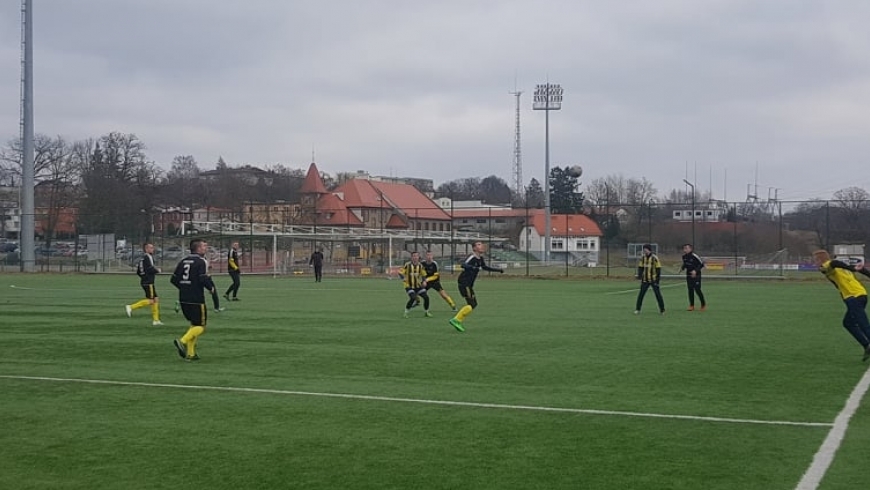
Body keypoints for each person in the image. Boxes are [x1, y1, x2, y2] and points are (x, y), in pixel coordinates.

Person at [814, 250, 870, 362]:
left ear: (819, 260)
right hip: (861, 295)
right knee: (848, 323)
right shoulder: (841, 267)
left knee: (862, 323)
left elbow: (834, 263)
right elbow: (859, 269)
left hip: (853, 297)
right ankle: (867, 346)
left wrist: (853, 268)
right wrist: (859, 270)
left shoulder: (828, 265)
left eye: (815, 260)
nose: (814, 263)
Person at [170, 238, 216, 362]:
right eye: (204, 246)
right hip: (196, 298)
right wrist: (210, 288)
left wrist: (184, 287)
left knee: (193, 325)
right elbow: (202, 278)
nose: (206, 248)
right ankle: (182, 341)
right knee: (201, 326)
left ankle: (191, 354)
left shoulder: (183, 261)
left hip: (183, 298)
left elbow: (173, 280)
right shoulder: (201, 261)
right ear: (199, 248)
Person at [449, 241, 504, 332]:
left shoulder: (480, 259)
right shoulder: (472, 257)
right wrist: (472, 268)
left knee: (473, 304)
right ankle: (456, 320)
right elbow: (463, 265)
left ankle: (457, 320)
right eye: (478, 244)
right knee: (472, 304)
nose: (481, 246)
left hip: (469, 285)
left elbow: (485, 267)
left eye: (481, 244)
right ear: (474, 248)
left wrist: (498, 270)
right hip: (464, 283)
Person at [125, 243, 164, 326]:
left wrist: (144, 277)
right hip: (148, 282)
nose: (153, 249)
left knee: (156, 299)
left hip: (146, 281)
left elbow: (138, 271)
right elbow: (150, 269)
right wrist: (157, 270)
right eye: (151, 248)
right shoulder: (147, 257)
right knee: (151, 300)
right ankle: (131, 307)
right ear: (146, 249)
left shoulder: (142, 258)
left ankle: (156, 320)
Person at [634, 244, 666, 315]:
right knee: (641, 294)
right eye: (644, 249)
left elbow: (658, 269)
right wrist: (640, 276)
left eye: (646, 249)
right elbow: (640, 267)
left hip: (653, 280)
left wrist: (657, 280)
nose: (645, 251)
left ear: (649, 250)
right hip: (645, 280)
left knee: (658, 295)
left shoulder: (654, 258)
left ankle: (662, 310)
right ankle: (637, 309)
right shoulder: (643, 258)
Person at [402, 251, 430, 318]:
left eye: (416, 256)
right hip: (408, 285)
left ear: (418, 257)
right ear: (411, 257)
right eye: (414, 256)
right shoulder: (407, 265)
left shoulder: (420, 266)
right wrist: (403, 278)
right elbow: (400, 272)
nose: (415, 257)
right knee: (413, 298)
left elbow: (423, 274)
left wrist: (424, 281)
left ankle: (426, 312)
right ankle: (406, 312)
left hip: (418, 286)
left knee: (426, 297)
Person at [680, 243, 707, 311]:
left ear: (690, 249)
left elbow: (702, 264)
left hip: (696, 275)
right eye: (684, 248)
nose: (685, 249)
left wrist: (695, 271)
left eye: (686, 248)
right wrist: (682, 268)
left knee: (697, 290)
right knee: (690, 290)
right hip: (688, 275)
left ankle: (703, 305)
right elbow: (685, 264)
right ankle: (691, 305)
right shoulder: (684, 257)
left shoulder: (694, 256)